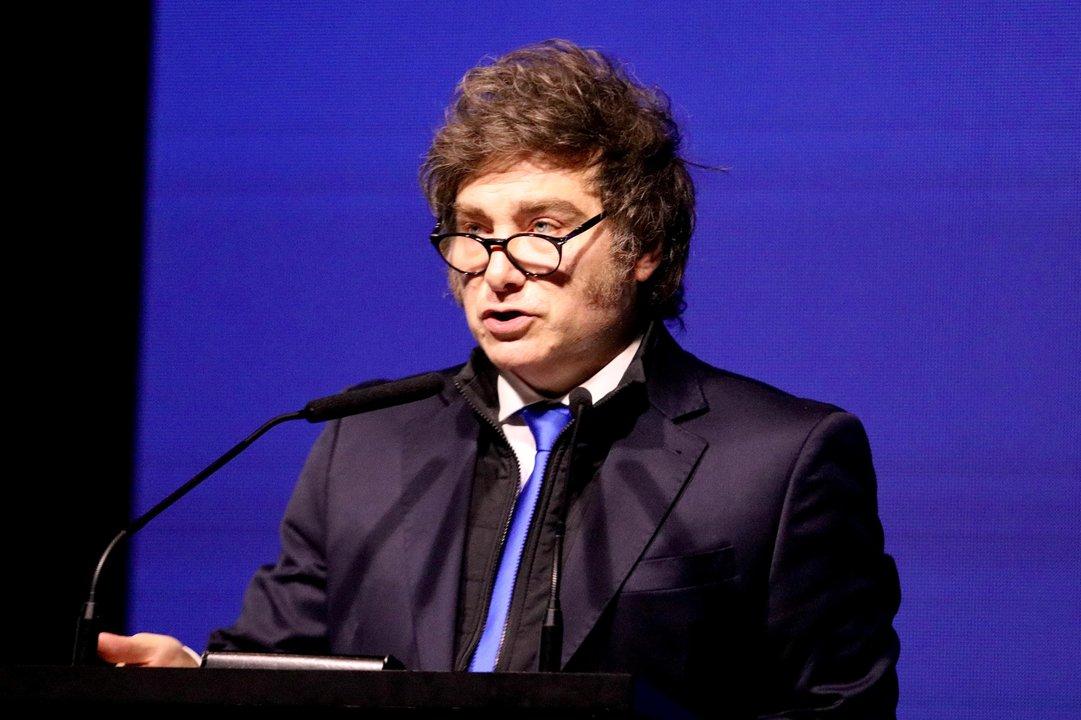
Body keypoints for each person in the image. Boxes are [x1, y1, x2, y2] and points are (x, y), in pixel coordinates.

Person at [99, 39, 901, 716]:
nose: (498, 269)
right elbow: (278, 674)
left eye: (542, 228)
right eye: (473, 232)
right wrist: (195, 685)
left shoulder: (778, 459)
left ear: (643, 248)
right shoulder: (361, 444)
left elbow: (836, 709)